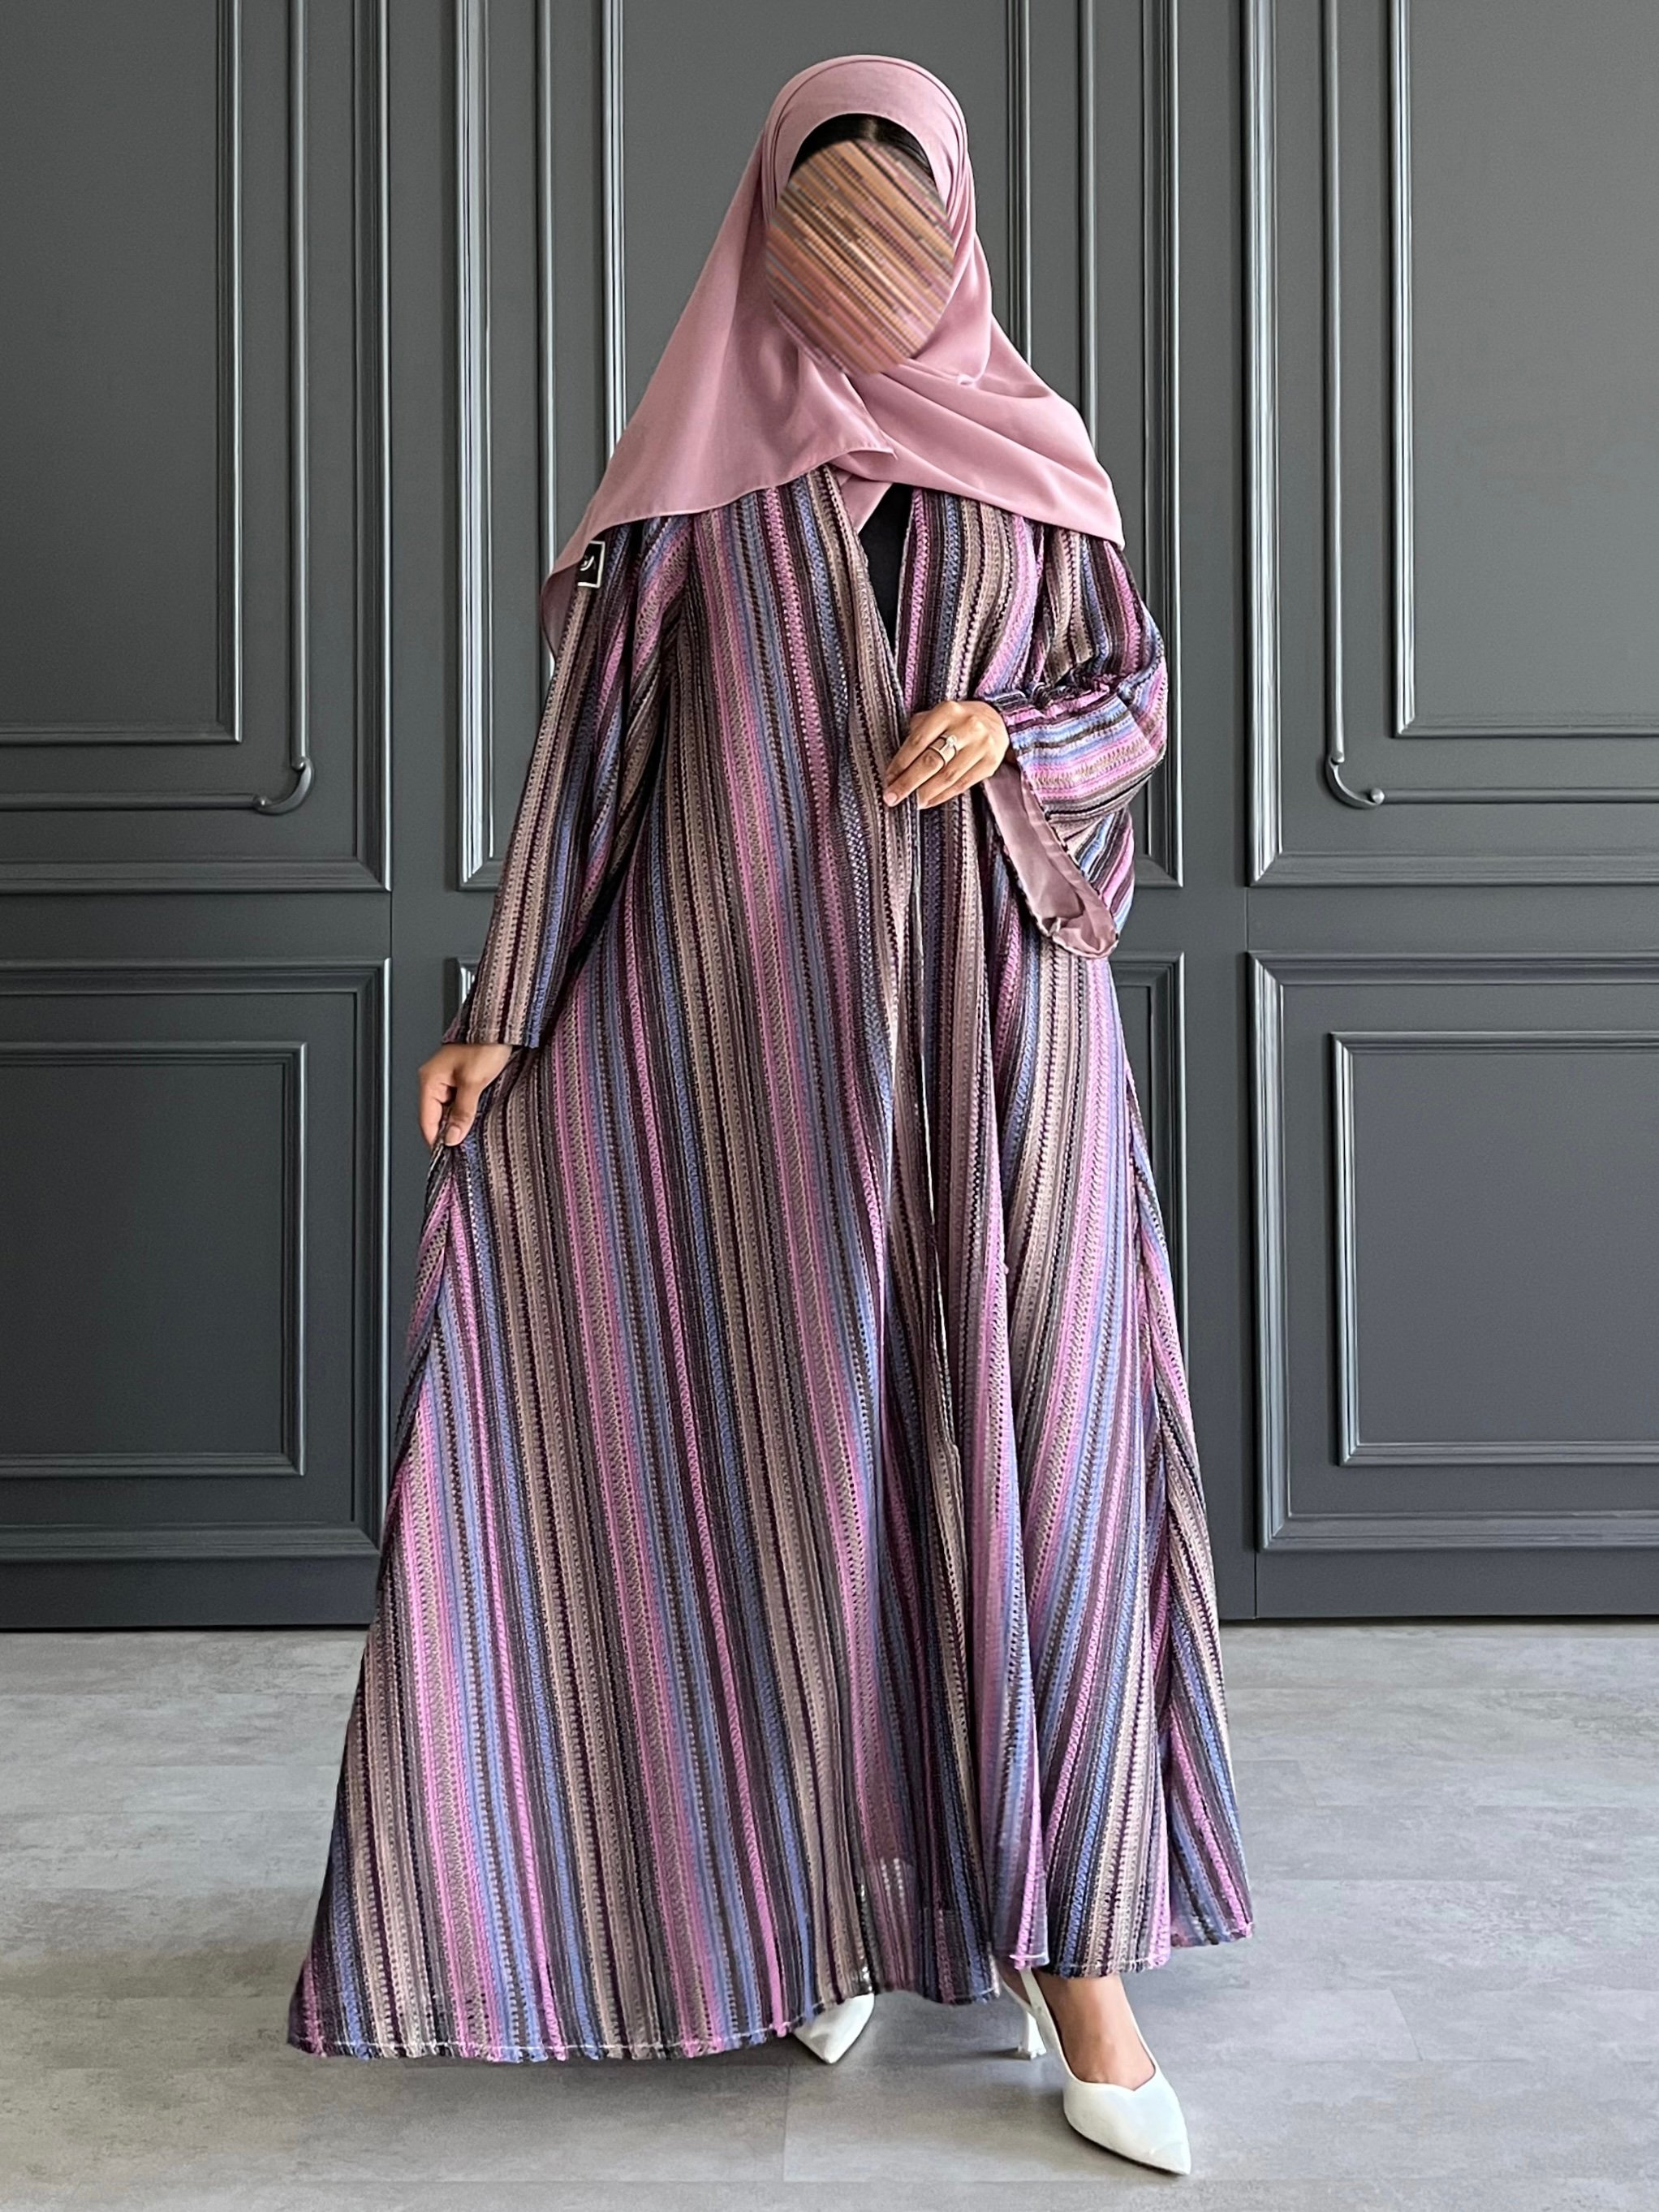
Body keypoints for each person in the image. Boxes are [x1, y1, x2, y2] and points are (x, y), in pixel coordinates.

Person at [287, 53, 1252, 2177]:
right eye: (822, 242)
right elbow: (592, 764)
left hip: (1001, 1052)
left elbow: (1136, 696)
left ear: (958, 229)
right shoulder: (695, 488)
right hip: (753, 1045)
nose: (859, 282)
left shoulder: (1035, 468)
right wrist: (504, 1014)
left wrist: (1012, 734)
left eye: (895, 240)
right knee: (789, 1479)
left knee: (1032, 1474)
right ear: (760, 234)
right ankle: (826, 1899)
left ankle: (1075, 1962)